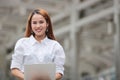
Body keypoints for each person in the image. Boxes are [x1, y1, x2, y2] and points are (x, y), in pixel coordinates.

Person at [10, 8, 65, 80]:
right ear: (30, 25)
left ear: (47, 24)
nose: (38, 26)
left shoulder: (55, 46)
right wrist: (28, 78)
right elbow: (14, 68)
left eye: (41, 22)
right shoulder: (22, 43)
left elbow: (59, 71)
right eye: (34, 23)